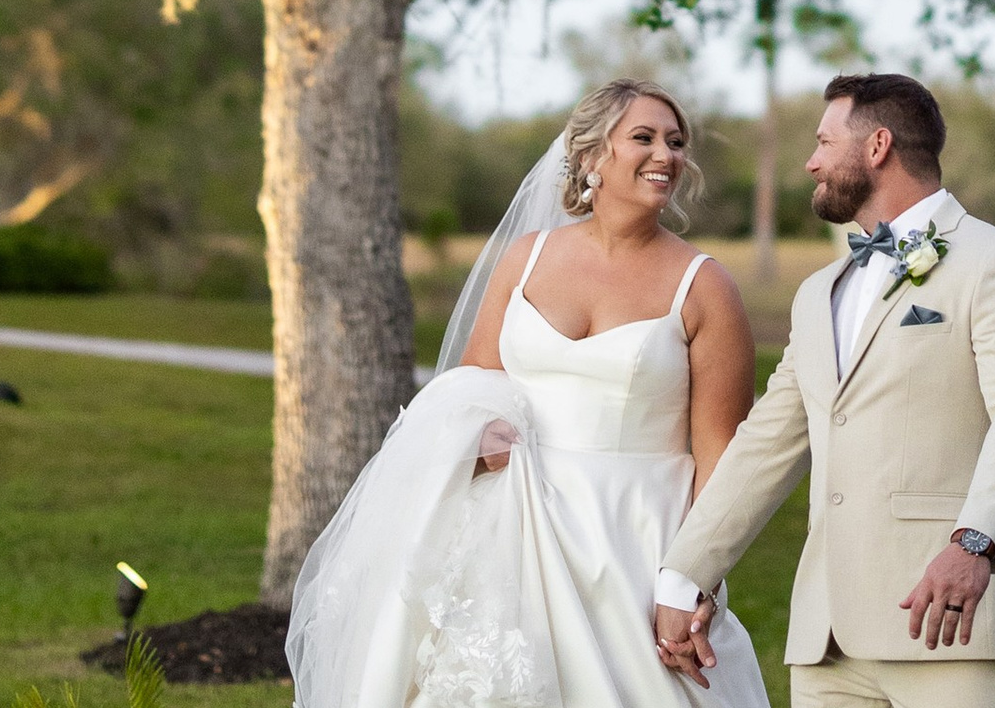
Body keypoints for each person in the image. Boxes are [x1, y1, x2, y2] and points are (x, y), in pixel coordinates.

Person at [285, 79, 767, 708]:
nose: (666, 155)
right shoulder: (527, 258)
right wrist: (479, 432)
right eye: (644, 138)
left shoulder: (705, 287)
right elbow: (471, 382)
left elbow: (722, 454)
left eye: (675, 143)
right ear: (591, 156)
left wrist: (690, 578)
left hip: (634, 540)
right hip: (512, 527)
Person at [651, 73, 995, 708]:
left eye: (824, 142)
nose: (811, 162)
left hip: (948, 625)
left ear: (878, 146)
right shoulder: (818, 292)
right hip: (826, 639)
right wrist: (687, 574)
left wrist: (976, 543)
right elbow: (767, 442)